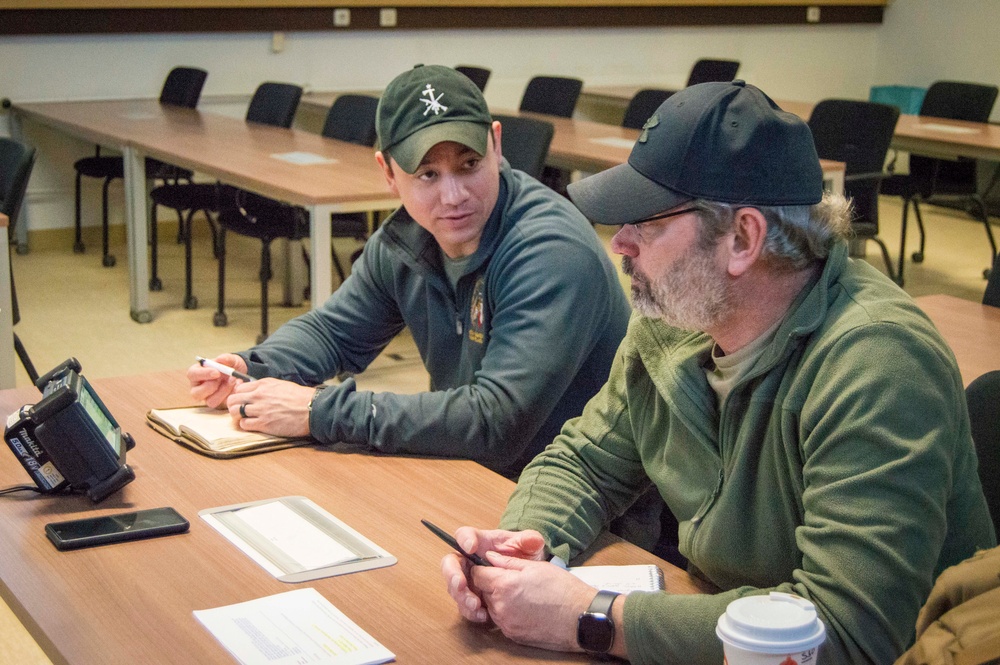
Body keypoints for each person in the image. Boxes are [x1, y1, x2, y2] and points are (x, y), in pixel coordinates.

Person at [440, 80, 997, 664]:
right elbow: (585, 462)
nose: (621, 243)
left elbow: (846, 633)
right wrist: (522, 549)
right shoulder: (678, 318)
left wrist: (592, 616)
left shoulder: (879, 364)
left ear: (742, 239)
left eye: (646, 223)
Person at [187, 64, 630, 478]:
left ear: (496, 144)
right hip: (474, 474)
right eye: (427, 174)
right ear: (388, 173)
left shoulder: (550, 251)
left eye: (469, 165)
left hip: (579, 503)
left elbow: (496, 423)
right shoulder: (407, 239)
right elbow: (334, 332)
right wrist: (253, 367)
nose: (453, 195)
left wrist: (318, 411)